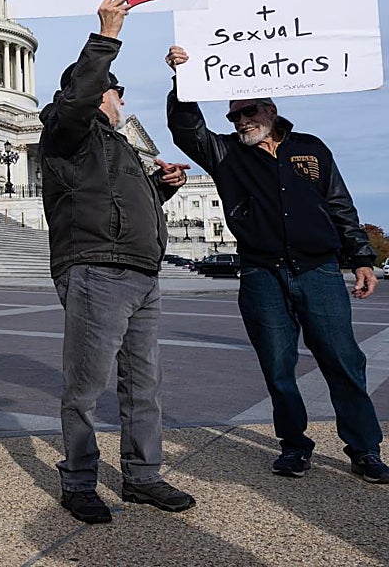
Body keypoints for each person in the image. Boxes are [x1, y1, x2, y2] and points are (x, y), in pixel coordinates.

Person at [165, 44, 388, 485]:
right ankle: (294, 445)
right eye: (233, 116)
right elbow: (186, 128)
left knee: (344, 360)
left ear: (270, 108)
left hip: (319, 269)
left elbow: (340, 205)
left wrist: (362, 257)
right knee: (277, 365)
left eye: (248, 111)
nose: (241, 121)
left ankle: (364, 449)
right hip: (261, 272)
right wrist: (182, 81)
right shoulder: (226, 153)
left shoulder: (311, 148)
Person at [39, 0, 195, 525]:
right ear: (92, 92)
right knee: (86, 384)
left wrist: (164, 188)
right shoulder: (67, 132)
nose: (122, 97)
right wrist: (106, 36)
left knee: (143, 383)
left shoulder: (119, 144)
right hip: (96, 268)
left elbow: (121, 202)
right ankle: (80, 480)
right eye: (116, 89)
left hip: (140, 271)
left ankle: (142, 474)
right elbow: (78, 99)